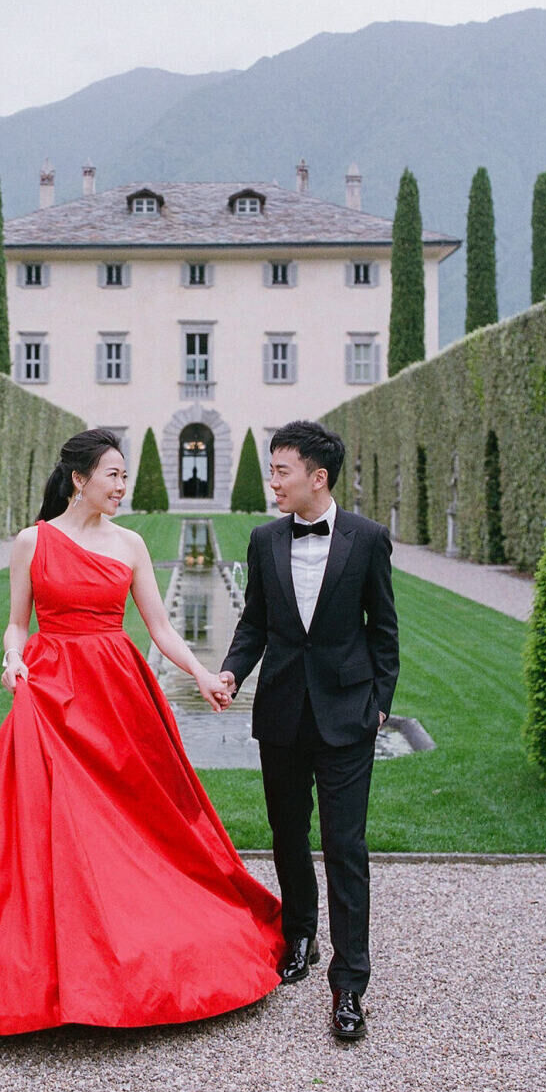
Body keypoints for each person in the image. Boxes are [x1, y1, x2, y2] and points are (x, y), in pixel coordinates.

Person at [0, 428, 282, 1036]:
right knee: (52, 815)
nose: (123, 487)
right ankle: (54, 946)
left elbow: (159, 628)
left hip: (116, 691)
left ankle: (127, 929)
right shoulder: (32, 541)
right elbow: (16, 623)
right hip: (50, 688)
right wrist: (12, 658)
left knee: (132, 814)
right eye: (114, 476)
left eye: (126, 476)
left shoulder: (129, 545)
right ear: (79, 479)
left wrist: (204, 673)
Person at [219, 420, 399, 1042]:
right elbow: (255, 625)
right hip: (282, 714)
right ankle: (301, 935)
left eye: (280, 471)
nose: (272, 481)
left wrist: (379, 703)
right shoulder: (264, 539)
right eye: (271, 470)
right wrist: (231, 674)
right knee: (288, 834)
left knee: (345, 847)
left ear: (316, 478)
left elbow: (384, 632)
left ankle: (350, 986)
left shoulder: (369, 540)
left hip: (348, 715)